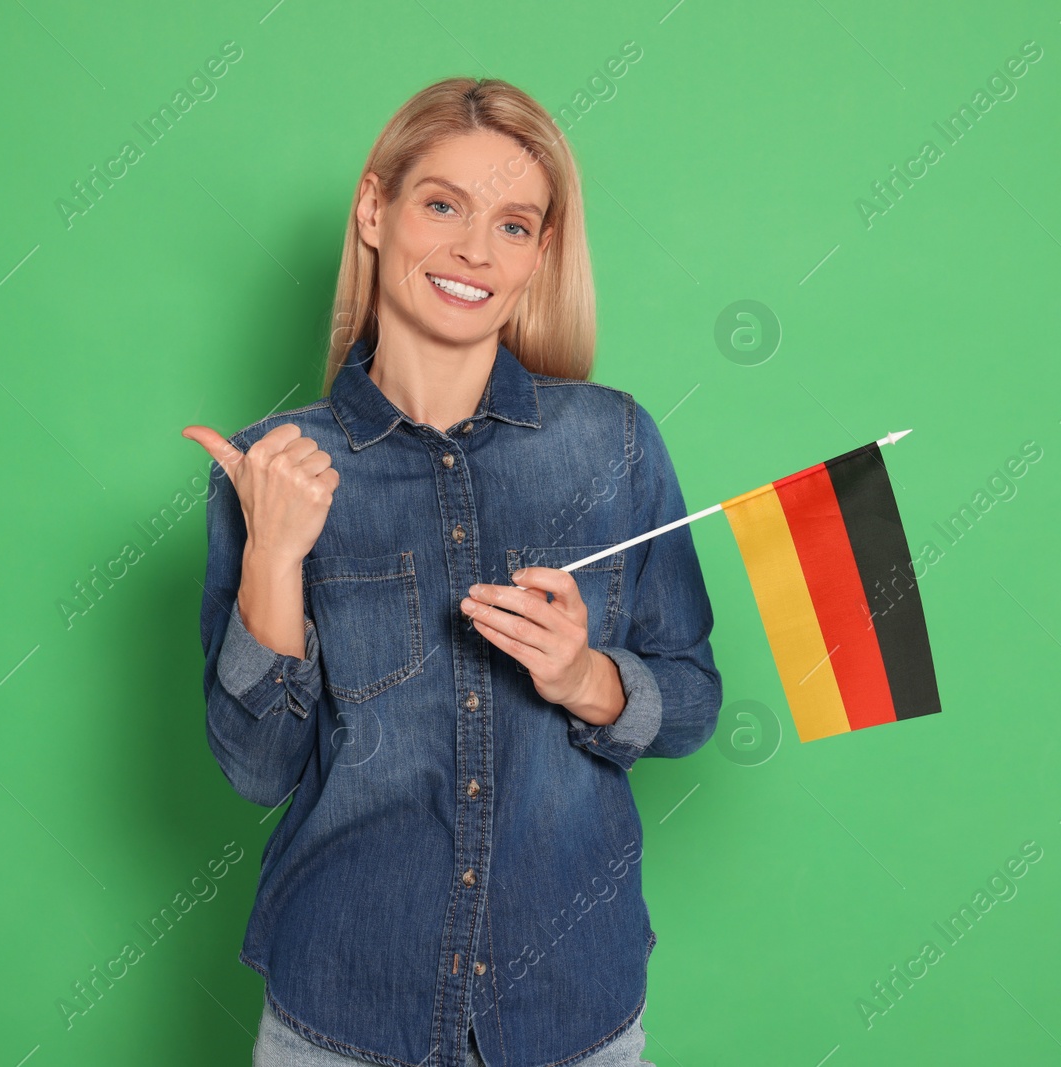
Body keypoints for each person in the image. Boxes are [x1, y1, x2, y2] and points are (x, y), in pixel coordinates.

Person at [183, 76, 722, 1067]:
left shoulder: (614, 443)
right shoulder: (271, 469)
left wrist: (584, 677)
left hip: (573, 1010)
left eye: (514, 224)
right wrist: (273, 554)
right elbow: (254, 769)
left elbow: (690, 699)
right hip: (342, 1013)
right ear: (375, 210)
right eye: (444, 205)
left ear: (541, 254)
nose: (477, 248)